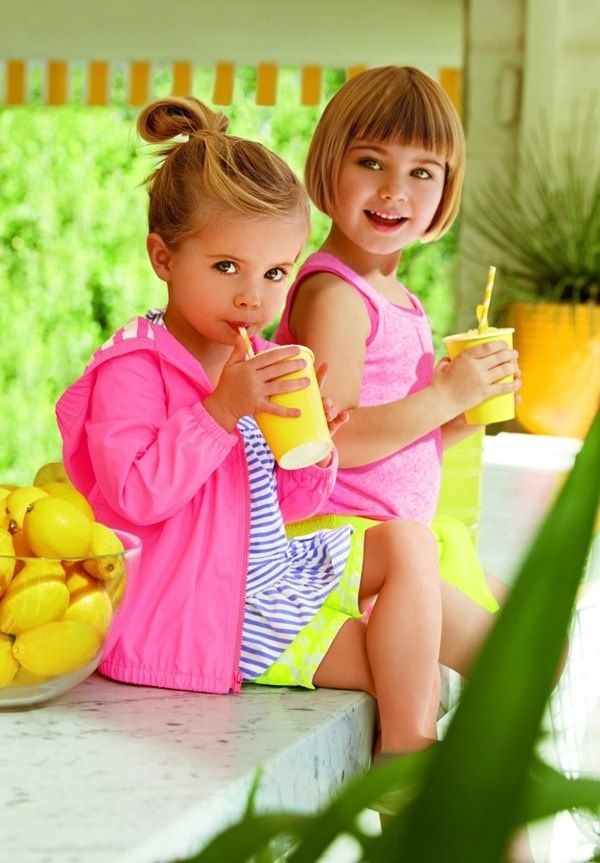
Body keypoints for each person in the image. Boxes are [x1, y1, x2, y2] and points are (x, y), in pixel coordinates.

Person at [55, 95, 505, 764]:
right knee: (402, 669)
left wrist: (317, 448)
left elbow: (282, 506)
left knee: (408, 542)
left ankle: (406, 748)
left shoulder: (261, 360)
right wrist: (219, 412)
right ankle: (409, 756)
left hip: (270, 572)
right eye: (226, 267)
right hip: (210, 613)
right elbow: (135, 496)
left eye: (274, 274)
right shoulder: (135, 368)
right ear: (163, 257)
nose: (253, 296)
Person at [275, 65, 521, 613]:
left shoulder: (397, 298)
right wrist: (446, 396)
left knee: (536, 631)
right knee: (516, 647)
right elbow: (335, 443)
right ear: (329, 163)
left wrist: (463, 414)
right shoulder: (336, 295)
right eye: (371, 162)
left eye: (422, 172)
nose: (393, 190)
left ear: (446, 188)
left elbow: (395, 454)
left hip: (391, 543)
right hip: (339, 545)